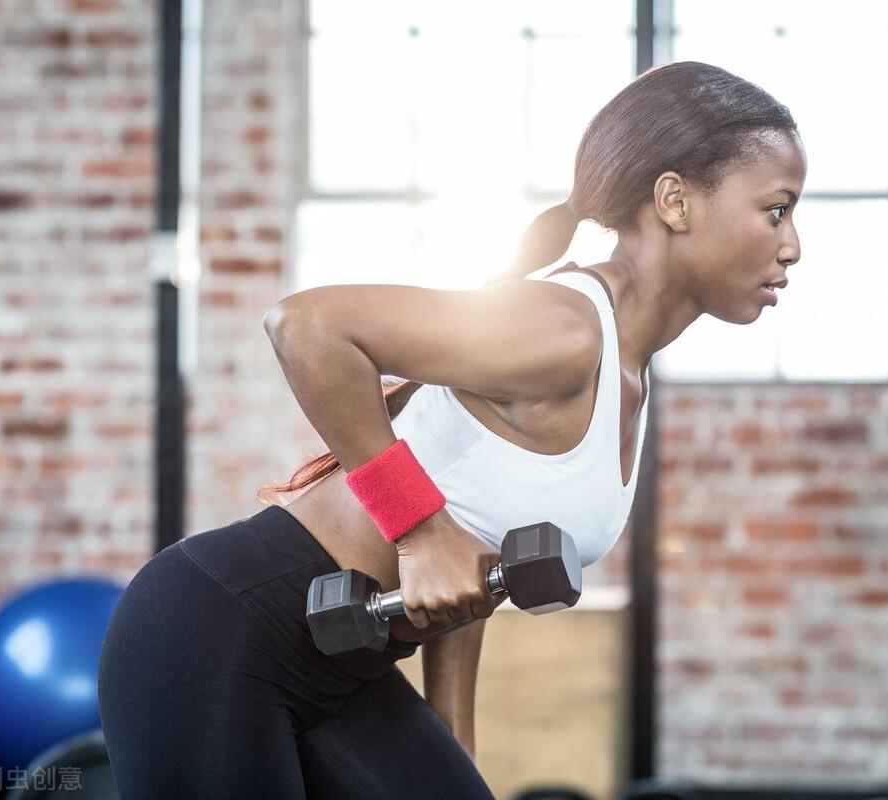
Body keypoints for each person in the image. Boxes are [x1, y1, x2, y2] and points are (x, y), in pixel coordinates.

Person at [97, 60, 806, 800]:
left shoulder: (625, 369)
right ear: (675, 201)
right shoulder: (564, 329)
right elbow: (307, 326)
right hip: (220, 631)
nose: (792, 247)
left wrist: (454, 739)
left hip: (344, 668)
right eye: (776, 210)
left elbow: (474, 553)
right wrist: (419, 531)